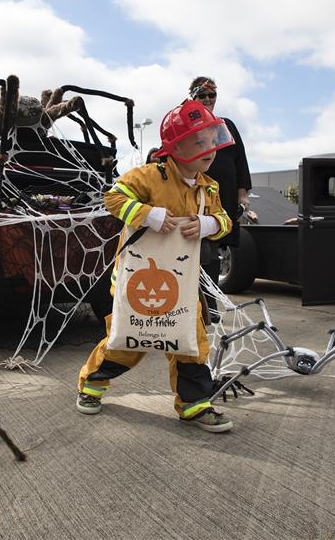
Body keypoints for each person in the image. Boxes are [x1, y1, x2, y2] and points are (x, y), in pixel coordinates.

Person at [75, 100, 235, 433]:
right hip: (137, 277)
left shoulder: (210, 186)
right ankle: (92, 383)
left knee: (190, 338)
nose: (210, 149)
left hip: (182, 279)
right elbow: (113, 198)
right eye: (199, 142)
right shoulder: (148, 176)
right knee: (130, 338)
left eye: (211, 140)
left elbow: (225, 221)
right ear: (175, 147)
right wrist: (149, 214)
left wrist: (208, 225)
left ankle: (194, 404)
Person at [188, 76, 256, 314]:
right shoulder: (186, 123)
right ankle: (192, 303)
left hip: (224, 192)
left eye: (211, 95)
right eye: (202, 95)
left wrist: (242, 194)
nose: (207, 99)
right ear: (193, 97)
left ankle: (211, 304)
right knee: (197, 247)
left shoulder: (226, 124)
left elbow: (240, 159)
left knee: (214, 248)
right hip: (195, 191)